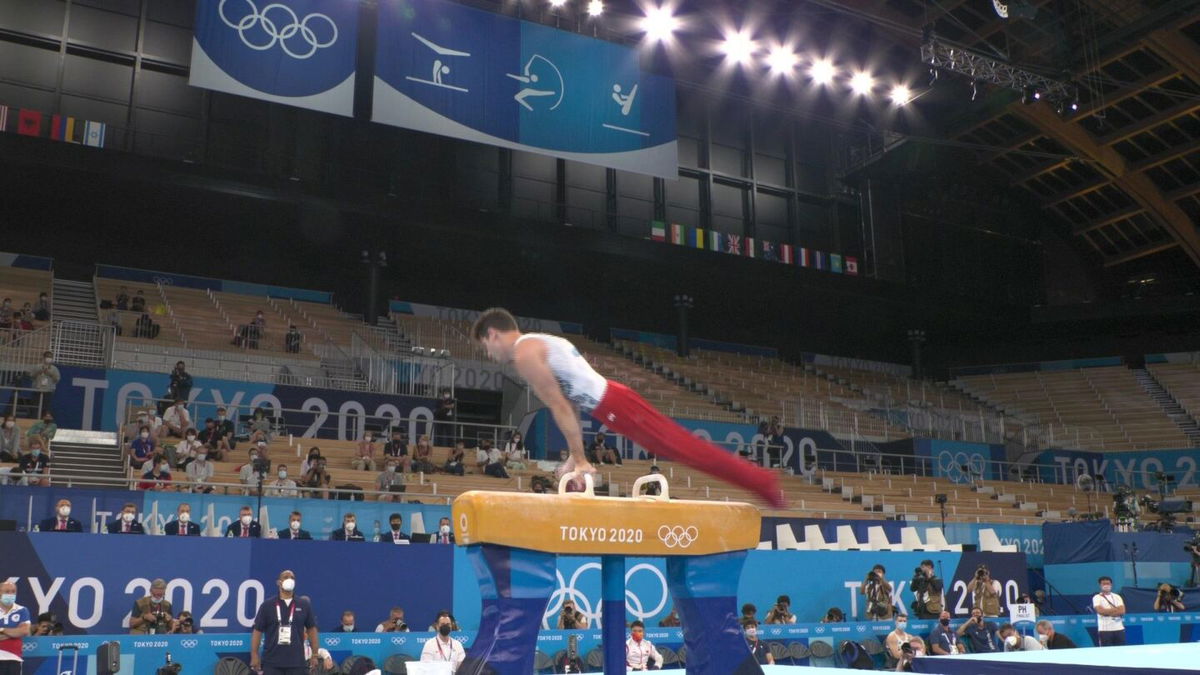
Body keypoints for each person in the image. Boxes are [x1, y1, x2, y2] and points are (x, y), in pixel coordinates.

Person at [472, 309, 784, 504]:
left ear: (493, 334)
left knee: (685, 449)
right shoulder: (538, 341)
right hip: (614, 401)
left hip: (614, 404)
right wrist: (573, 457)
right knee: (683, 448)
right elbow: (568, 402)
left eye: (485, 346)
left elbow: (559, 406)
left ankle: (761, 482)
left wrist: (580, 460)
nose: (488, 354)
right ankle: (759, 482)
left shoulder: (525, 354)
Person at [250, 570, 319, 674]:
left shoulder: (304, 604)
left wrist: (314, 655)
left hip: (297, 662)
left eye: (292, 577)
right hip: (272, 662)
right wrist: (254, 655)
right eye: (286, 577)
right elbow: (257, 631)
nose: (289, 579)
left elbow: (312, 630)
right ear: (279, 582)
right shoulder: (267, 605)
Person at [0, 580, 31, 675]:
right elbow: (18, 632)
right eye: (7, 591)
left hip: (14, 658)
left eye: (13, 591)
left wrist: (2, 629)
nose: (10, 594)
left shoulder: (22, 610)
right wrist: (14, 633)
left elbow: (24, 631)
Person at [1092, 576, 1125, 646]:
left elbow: (1122, 611)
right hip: (1105, 630)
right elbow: (1101, 611)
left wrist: (1107, 612)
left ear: (1111, 585)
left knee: (1121, 650)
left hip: (1119, 629)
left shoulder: (1117, 596)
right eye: (1104, 584)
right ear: (1100, 585)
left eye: (1108, 583)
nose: (1106, 585)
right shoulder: (1097, 597)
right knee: (1106, 652)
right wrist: (1116, 610)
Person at [28, 351, 59, 417]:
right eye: (47, 357)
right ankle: (34, 420)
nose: (49, 358)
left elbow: (57, 379)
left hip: (48, 391)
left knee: (46, 408)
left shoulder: (54, 369)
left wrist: (50, 374)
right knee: (35, 407)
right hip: (37, 389)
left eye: (50, 357)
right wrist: (39, 371)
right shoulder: (37, 366)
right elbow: (31, 376)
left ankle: (44, 421)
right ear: (44, 357)